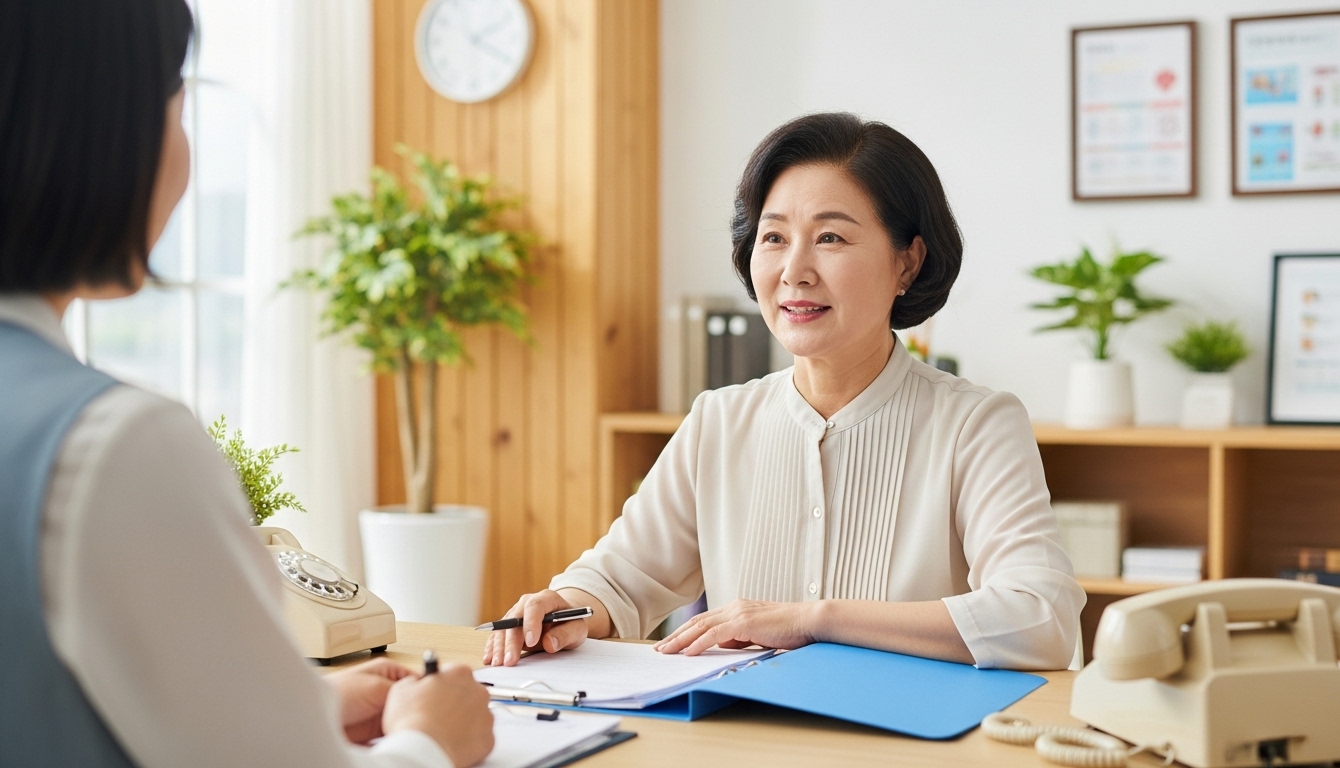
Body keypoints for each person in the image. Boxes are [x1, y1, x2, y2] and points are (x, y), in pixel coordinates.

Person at [0, 2, 492, 766]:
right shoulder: (112, 446)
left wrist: (287, 711)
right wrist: (432, 741)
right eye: (176, 102)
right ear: (99, 128)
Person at [485, 113, 1084, 671]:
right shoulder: (719, 419)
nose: (795, 269)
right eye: (774, 238)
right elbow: (621, 576)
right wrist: (564, 606)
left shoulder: (976, 424)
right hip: (740, 738)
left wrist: (812, 620)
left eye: (830, 238)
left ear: (908, 263)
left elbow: (1040, 617)